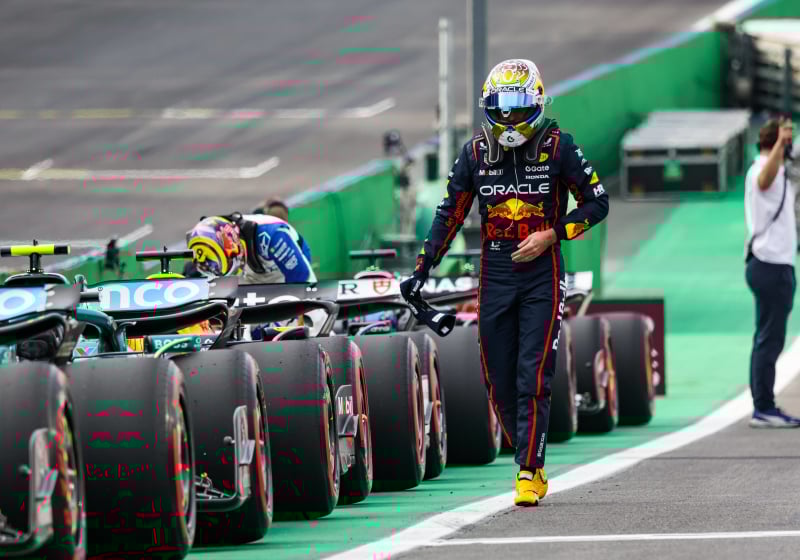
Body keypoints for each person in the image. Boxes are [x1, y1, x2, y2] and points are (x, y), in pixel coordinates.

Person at [400, 58, 609, 507]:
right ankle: (527, 449)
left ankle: (529, 470)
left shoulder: (559, 146)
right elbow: (450, 213)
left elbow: (597, 202)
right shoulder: (475, 152)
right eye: (501, 106)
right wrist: (422, 268)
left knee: (532, 373)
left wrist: (553, 233)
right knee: (497, 374)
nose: (510, 116)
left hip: (543, 270)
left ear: (535, 102)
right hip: (494, 272)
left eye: (518, 105)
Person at [744, 117, 800, 428]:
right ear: (776, 143)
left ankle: (763, 405)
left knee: (767, 337)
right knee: (770, 339)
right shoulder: (764, 172)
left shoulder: (776, 171)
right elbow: (765, 181)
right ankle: (764, 407)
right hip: (770, 265)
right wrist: (782, 142)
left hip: (772, 264)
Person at [186, 212, 316, 284]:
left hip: (282, 273)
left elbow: (304, 280)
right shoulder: (203, 249)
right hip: (249, 276)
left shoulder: (272, 235)